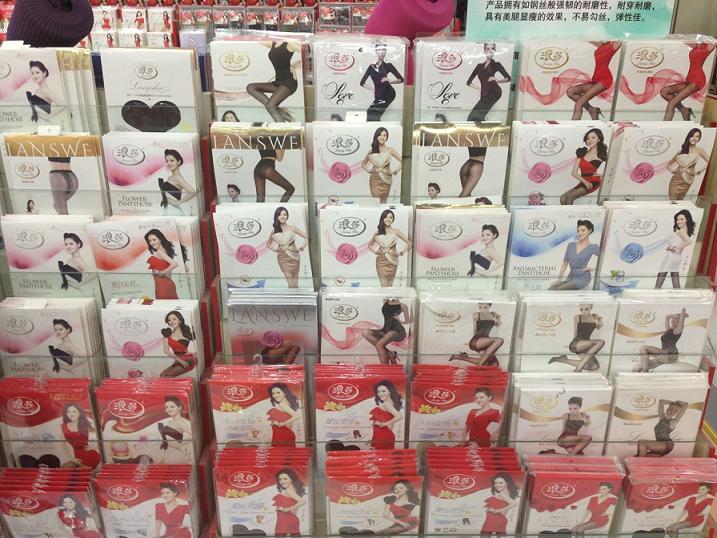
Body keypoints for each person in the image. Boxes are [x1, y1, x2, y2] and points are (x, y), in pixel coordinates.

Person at [247, 41, 301, 122]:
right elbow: (258, 40)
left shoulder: (290, 44)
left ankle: (283, 128)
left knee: (270, 105)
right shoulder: (273, 43)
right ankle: (283, 113)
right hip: (278, 82)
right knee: (251, 87)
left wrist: (294, 66)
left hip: (289, 82)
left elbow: (308, 52)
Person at [661, 42, 716, 121]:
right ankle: (684, 110)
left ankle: (664, 127)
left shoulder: (709, 46)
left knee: (671, 103)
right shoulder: (699, 45)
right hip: (690, 78)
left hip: (697, 79)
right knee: (664, 91)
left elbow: (714, 43)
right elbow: (684, 40)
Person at [567, 41, 621, 120]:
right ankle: (592, 110)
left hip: (605, 79)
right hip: (596, 79)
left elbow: (621, 38)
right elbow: (588, 38)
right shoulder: (601, 45)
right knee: (570, 91)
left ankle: (573, 126)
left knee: (579, 103)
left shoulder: (613, 46)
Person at [549, 304, 605, 372]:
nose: (583, 312)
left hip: (586, 345)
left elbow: (599, 329)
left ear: (591, 308)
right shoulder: (577, 317)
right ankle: (577, 371)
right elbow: (575, 333)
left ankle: (562, 359)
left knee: (594, 366)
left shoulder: (595, 317)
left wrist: (599, 321)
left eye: (586, 309)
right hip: (577, 343)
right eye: (581, 309)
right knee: (601, 342)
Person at [560, 128, 608, 205]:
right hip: (584, 181)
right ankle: (567, 213)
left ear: (599, 139)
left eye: (593, 138)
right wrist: (585, 182)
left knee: (569, 197)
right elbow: (574, 172)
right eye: (588, 138)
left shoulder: (602, 155)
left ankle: (569, 213)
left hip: (594, 182)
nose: (590, 140)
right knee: (562, 198)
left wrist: (602, 175)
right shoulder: (582, 152)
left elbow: (612, 168)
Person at [466, 42, 511, 122]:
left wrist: (497, 80)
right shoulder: (479, 66)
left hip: (494, 91)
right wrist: (479, 88)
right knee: (477, 115)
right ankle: (483, 127)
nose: (490, 51)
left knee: (474, 116)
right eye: (488, 49)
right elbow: (468, 82)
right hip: (484, 92)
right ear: (484, 51)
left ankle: (482, 127)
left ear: (495, 51)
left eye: (492, 49)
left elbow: (508, 78)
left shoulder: (496, 64)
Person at [549, 220, 600, 290]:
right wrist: (559, 279)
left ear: (590, 231)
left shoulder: (593, 247)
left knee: (558, 289)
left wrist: (593, 268)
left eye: (583, 230)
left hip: (583, 278)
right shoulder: (571, 245)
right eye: (578, 231)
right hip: (571, 276)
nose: (580, 233)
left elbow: (604, 257)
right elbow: (565, 263)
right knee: (551, 288)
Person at [360, 43, 405, 121]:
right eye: (379, 50)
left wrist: (390, 81)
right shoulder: (371, 67)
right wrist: (372, 89)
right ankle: (377, 127)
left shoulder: (388, 65)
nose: (382, 52)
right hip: (378, 93)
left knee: (373, 115)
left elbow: (401, 79)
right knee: (371, 115)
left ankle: (379, 128)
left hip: (388, 93)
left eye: (384, 50)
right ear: (376, 51)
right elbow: (362, 82)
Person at [368, 209, 412, 287]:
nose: (388, 219)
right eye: (386, 217)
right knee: (384, 287)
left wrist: (401, 252)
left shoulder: (396, 231)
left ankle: (389, 296)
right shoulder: (378, 232)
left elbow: (410, 243)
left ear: (393, 219)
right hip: (381, 261)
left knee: (390, 287)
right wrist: (375, 251)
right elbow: (369, 245)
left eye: (390, 217)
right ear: (382, 218)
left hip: (393, 261)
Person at [267, 206, 308, 288]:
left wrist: (302, 247)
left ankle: (296, 294)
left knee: (295, 279)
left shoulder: (292, 228)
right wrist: (276, 250)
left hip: (295, 256)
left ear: (287, 216)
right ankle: (292, 295)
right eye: (280, 215)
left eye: (285, 214)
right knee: (289, 280)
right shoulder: (274, 230)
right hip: (283, 258)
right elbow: (268, 244)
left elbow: (307, 237)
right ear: (277, 216)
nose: (282, 217)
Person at [361, 298, 411, 364]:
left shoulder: (403, 305)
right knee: (365, 332)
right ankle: (390, 354)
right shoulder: (386, 300)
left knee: (379, 345)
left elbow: (409, 320)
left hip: (397, 330)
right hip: (386, 329)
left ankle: (385, 367)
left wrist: (400, 320)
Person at [656, 209, 695, 289]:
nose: (679, 221)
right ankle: (678, 293)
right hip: (677, 257)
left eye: (681, 219)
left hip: (671, 256)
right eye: (677, 219)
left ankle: (655, 292)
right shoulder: (685, 231)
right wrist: (675, 248)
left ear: (686, 220)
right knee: (674, 275)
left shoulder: (681, 231)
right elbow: (682, 245)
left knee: (661, 274)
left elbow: (689, 241)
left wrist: (677, 247)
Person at [667, 128, 710, 200]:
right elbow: (668, 164)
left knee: (680, 202)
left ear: (699, 138)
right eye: (692, 136)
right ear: (688, 137)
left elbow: (710, 162)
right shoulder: (681, 151)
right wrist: (672, 170)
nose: (694, 138)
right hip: (676, 180)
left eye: (697, 136)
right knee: (672, 202)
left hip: (687, 181)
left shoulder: (700, 151)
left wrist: (699, 171)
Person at [361, 127, 401, 203]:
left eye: (384, 135)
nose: (382, 137)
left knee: (384, 202)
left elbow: (402, 161)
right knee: (376, 203)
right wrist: (369, 171)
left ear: (387, 137)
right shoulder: (371, 151)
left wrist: (395, 172)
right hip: (375, 180)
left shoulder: (390, 150)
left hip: (386, 179)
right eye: (380, 135)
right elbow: (363, 164)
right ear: (376, 136)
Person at [254, 138, 295, 202]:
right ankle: (280, 208)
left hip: (258, 168)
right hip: (267, 167)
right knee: (290, 189)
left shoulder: (261, 137)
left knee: (260, 200)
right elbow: (280, 158)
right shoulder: (276, 139)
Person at [60, 402, 100, 469]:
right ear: (66, 414)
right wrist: (72, 458)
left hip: (91, 456)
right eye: (68, 412)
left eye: (74, 411)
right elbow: (63, 445)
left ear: (79, 412)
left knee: (78, 474)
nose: (71, 414)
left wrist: (95, 447)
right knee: (62, 469)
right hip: (77, 457)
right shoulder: (63, 426)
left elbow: (102, 437)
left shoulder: (86, 424)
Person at [158, 149, 197, 214]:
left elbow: (193, 192)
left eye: (172, 160)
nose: (169, 163)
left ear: (179, 162)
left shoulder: (178, 178)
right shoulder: (170, 177)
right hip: (168, 209)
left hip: (174, 210)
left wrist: (178, 202)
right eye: (167, 161)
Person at [145, 228, 179, 299]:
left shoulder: (160, 253)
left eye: (154, 240)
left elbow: (174, 264)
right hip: (165, 284)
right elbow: (168, 270)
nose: (152, 243)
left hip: (162, 286)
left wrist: (162, 273)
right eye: (150, 241)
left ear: (160, 239)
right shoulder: (165, 251)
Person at [161, 311, 196, 377]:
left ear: (180, 320)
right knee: (162, 375)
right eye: (169, 320)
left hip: (188, 359)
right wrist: (180, 361)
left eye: (174, 319)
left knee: (168, 375)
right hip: (179, 359)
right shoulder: (167, 335)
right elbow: (166, 351)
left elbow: (195, 344)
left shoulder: (187, 331)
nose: (172, 322)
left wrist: (194, 352)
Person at [157, 396, 192, 464]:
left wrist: (179, 445)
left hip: (175, 455)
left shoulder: (179, 422)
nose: (169, 409)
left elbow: (193, 435)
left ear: (179, 407)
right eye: (167, 407)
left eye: (172, 407)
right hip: (169, 453)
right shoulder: (170, 421)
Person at [369, 380, 403, 449]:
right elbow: (393, 421)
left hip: (381, 437)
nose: (380, 394)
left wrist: (383, 424)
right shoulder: (391, 403)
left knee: (378, 454)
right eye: (378, 392)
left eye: (383, 391)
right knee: (385, 454)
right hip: (384, 435)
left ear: (390, 391)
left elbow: (399, 416)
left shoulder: (386, 404)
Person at [273, 469, 306, 536]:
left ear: (291, 479)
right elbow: (296, 507)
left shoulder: (289, 491)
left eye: (285, 479)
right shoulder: (294, 490)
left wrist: (288, 509)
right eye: (280, 479)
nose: (282, 481)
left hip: (284, 520)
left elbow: (303, 501)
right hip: (290, 519)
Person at [267, 383, 301, 447]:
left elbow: (298, 416)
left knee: (281, 452)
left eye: (278, 392)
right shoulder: (285, 403)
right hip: (281, 434)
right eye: (273, 393)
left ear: (285, 393)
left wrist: (282, 424)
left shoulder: (282, 405)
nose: (275, 395)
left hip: (282, 435)